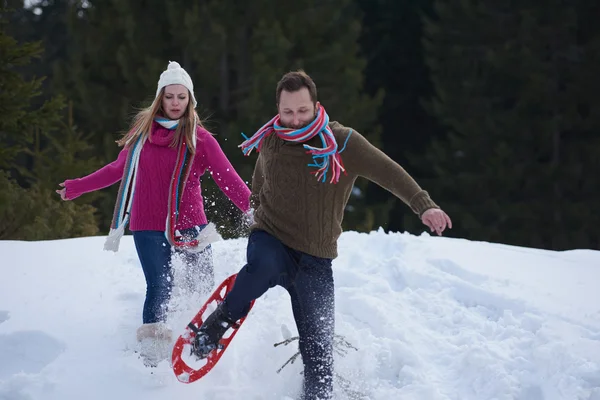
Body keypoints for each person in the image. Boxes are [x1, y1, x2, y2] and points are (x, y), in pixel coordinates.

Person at [191, 70, 452, 399]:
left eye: (302, 111)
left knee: (319, 353)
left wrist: (423, 205)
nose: (295, 119)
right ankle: (216, 325)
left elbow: (388, 171)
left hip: (316, 257)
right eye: (287, 112)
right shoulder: (271, 138)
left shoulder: (343, 142)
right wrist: (255, 209)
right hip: (270, 236)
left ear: (316, 105)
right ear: (278, 109)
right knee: (263, 268)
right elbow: (261, 177)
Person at [56, 61, 252, 348]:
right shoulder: (141, 135)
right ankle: (153, 352)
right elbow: (116, 169)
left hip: (190, 223)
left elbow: (228, 179)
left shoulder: (200, 139)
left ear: (190, 100)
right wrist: (77, 186)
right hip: (147, 223)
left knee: (200, 285)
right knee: (160, 285)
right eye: (169, 96)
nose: (175, 103)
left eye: (181, 97)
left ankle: (202, 341)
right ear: (160, 98)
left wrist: (255, 209)